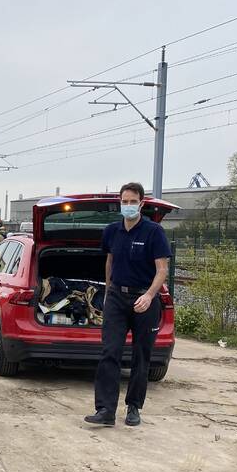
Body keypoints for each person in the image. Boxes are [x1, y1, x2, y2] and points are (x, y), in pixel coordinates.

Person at [86, 183, 171, 427]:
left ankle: (134, 407)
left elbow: (162, 269)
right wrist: (108, 288)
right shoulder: (112, 231)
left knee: (141, 356)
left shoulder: (153, 232)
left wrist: (149, 295)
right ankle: (105, 410)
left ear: (142, 204)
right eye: (125, 201)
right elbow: (109, 261)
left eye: (133, 202)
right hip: (116, 298)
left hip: (144, 300)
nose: (129, 206)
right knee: (109, 352)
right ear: (120, 202)